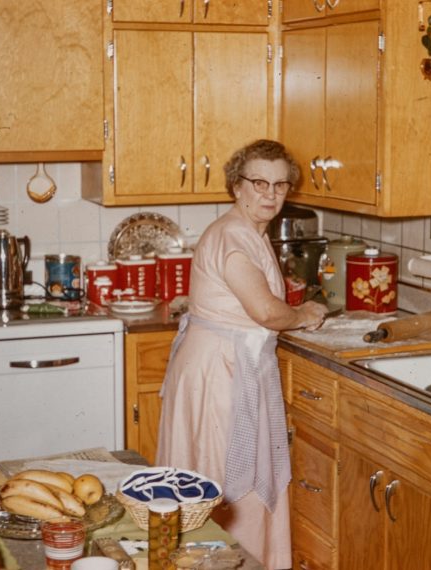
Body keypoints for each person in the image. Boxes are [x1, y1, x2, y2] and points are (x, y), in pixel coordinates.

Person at [156, 139, 328, 569]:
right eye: (259, 183)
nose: (270, 194)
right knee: (225, 481)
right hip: (221, 374)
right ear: (237, 186)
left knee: (216, 478)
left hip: (222, 366)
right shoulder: (234, 237)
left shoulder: (247, 230)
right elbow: (267, 312)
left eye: (281, 185)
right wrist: (305, 313)